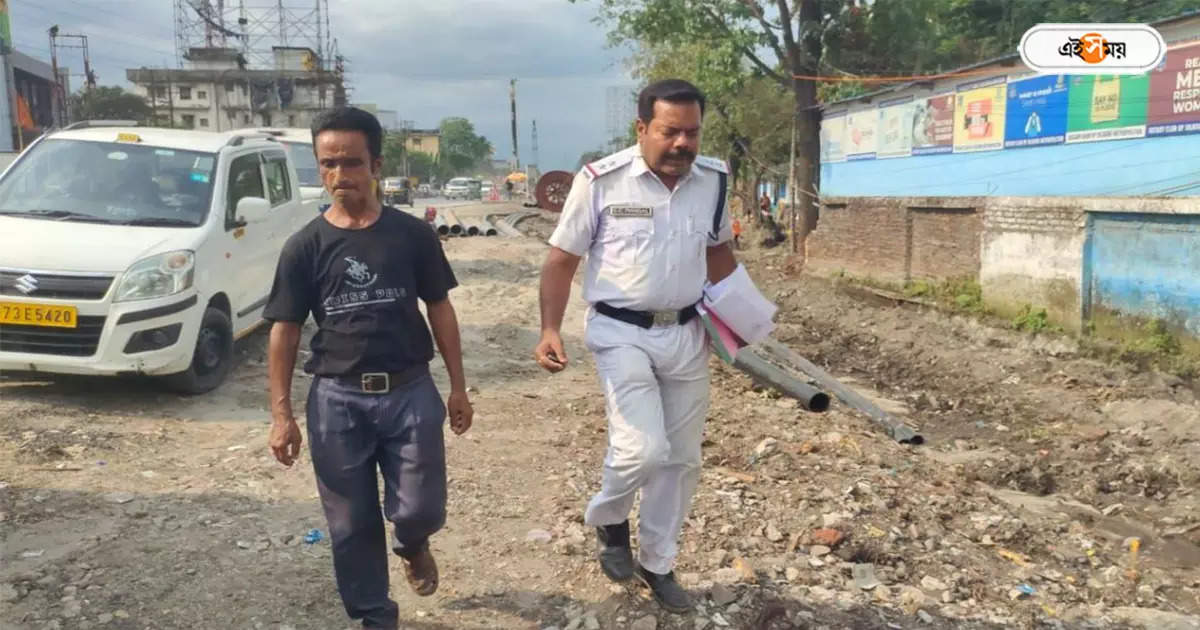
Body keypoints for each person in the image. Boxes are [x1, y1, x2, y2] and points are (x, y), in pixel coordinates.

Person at [264, 106, 474, 630]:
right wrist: (281, 414)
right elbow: (284, 330)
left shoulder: (412, 236)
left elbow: (440, 308)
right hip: (337, 400)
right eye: (328, 165)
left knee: (420, 507)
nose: (339, 177)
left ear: (376, 165)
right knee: (350, 522)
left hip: (410, 392)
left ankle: (412, 542)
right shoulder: (304, 247)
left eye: (351, 163)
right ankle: (375, 615)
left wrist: (458, 388)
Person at [533, 79, 738, 614]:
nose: (683, 144)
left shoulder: (713, 181)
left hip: (688, 334)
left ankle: (658, 563)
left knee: (681, 460)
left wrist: (743, 317)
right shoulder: (602, 182)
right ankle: (608, 518)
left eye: (692, 132)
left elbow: (719, 254)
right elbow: (561, 259)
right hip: (620, 330)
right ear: (643, 128)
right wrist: (550, 328)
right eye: (670, 131)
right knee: (641, 449)